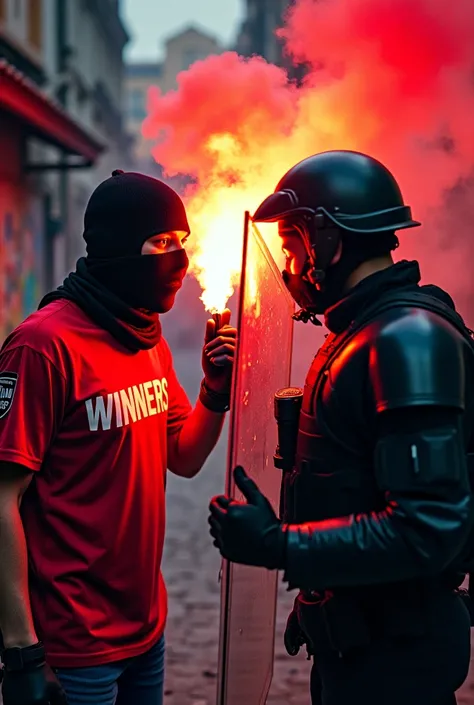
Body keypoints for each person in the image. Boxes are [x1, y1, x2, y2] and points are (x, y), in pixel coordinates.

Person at [208, 150, 474, 705]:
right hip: (359, 643)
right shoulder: (361, 330)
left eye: (291, 246)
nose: (288, 267)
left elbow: (426, 529)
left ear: (325, 239)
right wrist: (325, 601)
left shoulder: (405, 339)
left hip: (397, 660)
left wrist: (278, 545)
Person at [0, 170, 236, 705]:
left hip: (145, 628)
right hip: (74, 643)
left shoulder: (144, 333)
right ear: (118, 249)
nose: (178, 260)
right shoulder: (43, 346)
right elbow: (1, 498)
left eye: (183, 242)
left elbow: (184, 455)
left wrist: (214, 392)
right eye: (160, 243)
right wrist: (21, 652)